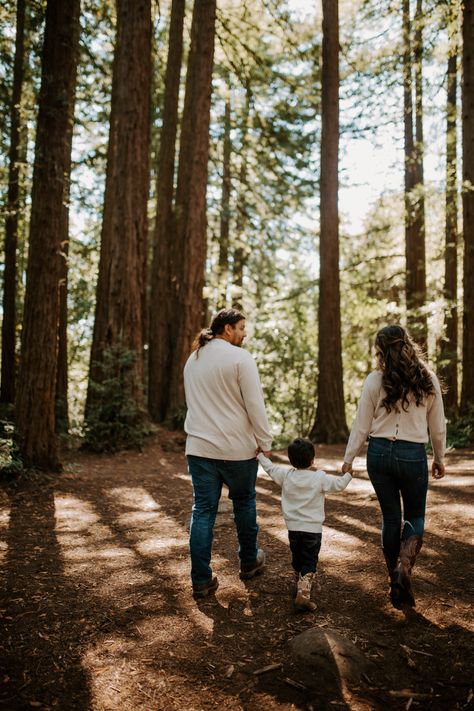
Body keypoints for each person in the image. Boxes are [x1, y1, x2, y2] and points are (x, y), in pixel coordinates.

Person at [342, 324, 446, 609]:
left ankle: (393, 579)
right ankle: (404, 568)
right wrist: (439, 458)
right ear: (407, 343)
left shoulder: (375, 380)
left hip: (379, 454)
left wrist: (349, 458)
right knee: (415, 515)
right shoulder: (427, 378)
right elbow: (437, 428)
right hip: (412, 454)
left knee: (390, 518)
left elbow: (361, 425)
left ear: (381, 351)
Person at [184, 308, 272, 598]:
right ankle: (248, 562)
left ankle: (200, 578)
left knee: (203, 511)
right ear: (226, 329)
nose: (245, 333)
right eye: (242, 328)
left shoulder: (192, 360)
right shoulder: (240, 358)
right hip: (237, 449)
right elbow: (254, 404)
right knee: (244, 503)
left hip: (199, 448)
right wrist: (265, 441)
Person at [257, 438, 352, 612]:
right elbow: (339, 485)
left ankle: (300, 581)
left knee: (298, 556)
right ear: (312, 460)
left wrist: (260, 456)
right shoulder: (319, 477)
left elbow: (270, 468)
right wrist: (348, 474)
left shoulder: (285, 476)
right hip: (312, 530)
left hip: (293, 528)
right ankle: (303, 593)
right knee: (309, 560)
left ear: (291, 459)